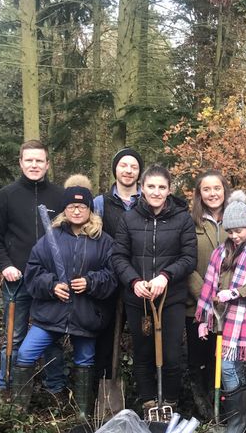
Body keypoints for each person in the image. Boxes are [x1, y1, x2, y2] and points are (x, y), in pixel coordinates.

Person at [12, 176, 118, 418]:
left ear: (90, 210)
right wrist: (52, 286)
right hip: (52, 312)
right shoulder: (51, 238)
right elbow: (33, 271)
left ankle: (81, 414)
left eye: (82, 206)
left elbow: (112, 276)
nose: (77, 211)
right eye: (71, 206)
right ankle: (17, 413)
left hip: (86, 314)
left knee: (85, 361)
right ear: (64, 209)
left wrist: (91, 282)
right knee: (26, 353)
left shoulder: (103, 241)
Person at [112, 165, 197, 414]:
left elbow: (188, 258)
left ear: (169, 190)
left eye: (162, 187)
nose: (156, 192)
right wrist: (134, 281)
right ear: (142, 188)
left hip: (171, 298)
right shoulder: (129, 218)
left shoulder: (182, 219)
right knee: (143, 352)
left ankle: (170, 401)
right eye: (151, 186)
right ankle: (149, 401)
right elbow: (119, 256)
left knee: (171, 353)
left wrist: (165, 276)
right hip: (139, 299)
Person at [195, 191, 246, 433]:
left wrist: (237, 292)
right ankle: (244, 418)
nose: (234, 235)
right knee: (233, 368)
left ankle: (236, 421)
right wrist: (204, 318)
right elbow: (209, 284)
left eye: (238, 230)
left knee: (228, 367)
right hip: (222, 318)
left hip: (243, 318)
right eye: (230, 231)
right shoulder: (221, 252)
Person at [0, 140, 66, 398]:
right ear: (21, 163)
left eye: (39, 160)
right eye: (29, 160)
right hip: (17, 279)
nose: (34, 165)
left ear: (47, 164)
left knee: (51, 336)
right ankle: (8, 388)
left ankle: (55, 389)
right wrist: (5, 265)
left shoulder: (59, 197)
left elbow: (70, 236)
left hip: (50, 281)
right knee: (14, 335)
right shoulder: (6, 196)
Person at [91, 148, 143, 400]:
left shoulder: (147, 200)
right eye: (123, 165)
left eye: (134, 166)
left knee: (143, 341)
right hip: (109, 281)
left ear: (139, 172)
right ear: (115, 169)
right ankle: (101, 394)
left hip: (140, 281)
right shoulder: (100, 203)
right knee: (105, 340)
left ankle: (144, 395)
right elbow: (92, 239)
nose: (128, 171)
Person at [185, 170, 231, 418]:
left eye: (217, 188)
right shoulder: (190, 222)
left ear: (224, 190)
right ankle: (200, 405)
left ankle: (220, 404)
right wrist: (204, 293)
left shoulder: (234, 219)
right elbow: (185, 261)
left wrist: (225, 293)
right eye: (206, 189)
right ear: (199, 194)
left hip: (227, 304)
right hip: (197, 304)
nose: (213, 194)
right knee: (198, 356)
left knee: (219, 356)